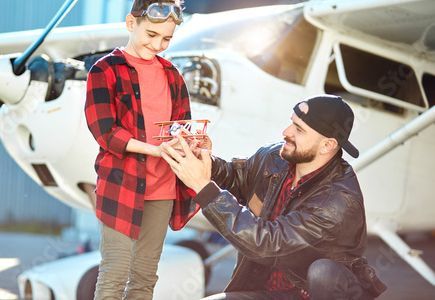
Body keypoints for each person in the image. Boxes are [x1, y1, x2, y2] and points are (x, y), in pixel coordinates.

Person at [161, 95, 387, 299]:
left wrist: (203, 187)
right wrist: (204, 162)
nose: (286, 132)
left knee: (323, 273)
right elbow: (236, 179)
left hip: (311, 294)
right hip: (269, 292)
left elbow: (267, 243)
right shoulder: (274, 157)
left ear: (327, 145)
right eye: (291, 122)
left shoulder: (338, 203)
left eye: (299, 129)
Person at [84, 0, 198, 299]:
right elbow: (105, 132)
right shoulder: (104, 70)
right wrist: (155, 149)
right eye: (151, 34)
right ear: (130, 23)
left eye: (166, 39)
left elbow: (181, 127)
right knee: (113, 276)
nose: (158, 45)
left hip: (162, 189)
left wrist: (193, 142)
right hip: (121, 185)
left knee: (145, 279)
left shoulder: (172, 74)